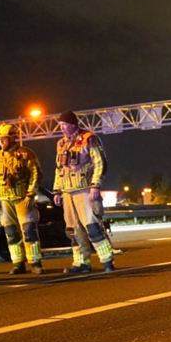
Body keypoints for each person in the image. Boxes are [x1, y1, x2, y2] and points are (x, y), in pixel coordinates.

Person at [52, 110, 115, 273]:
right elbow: (59, 169)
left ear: (74, 125)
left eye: (65, 126)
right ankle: (81, 262)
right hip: (68, 193)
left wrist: (95, 185)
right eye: (61, 126)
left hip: (85, 190)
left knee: (92, 226)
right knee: (73, 230)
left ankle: (106, 259)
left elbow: (100, 163)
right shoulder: (61, 144)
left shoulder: (89, 139)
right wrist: (57, 191)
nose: (63, 129)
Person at [0, 123, 45, 275]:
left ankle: (35, 262)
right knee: (11, 232)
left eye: (3, 139)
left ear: (12, 138)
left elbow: (36, 174)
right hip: (4, 200)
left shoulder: (26, 153)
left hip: (22, 198)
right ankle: (18, 263)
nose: (0, 142)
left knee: (29, 230)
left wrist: (30, 193)